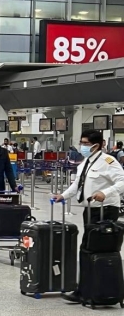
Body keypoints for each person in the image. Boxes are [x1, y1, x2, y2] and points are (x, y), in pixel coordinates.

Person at [52, 130, 124, 303]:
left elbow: (122, 181)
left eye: (85, 143)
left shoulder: (108, 161)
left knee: (95, 250)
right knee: (87, 250)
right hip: (90, 210)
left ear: (96, 145)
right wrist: (63, 195)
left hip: (105, 210)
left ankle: (96, 291)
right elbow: (78, 184)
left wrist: (105, 192)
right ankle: (86, 290)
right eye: (82, 142)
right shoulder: (87, 162)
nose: (82, 146)